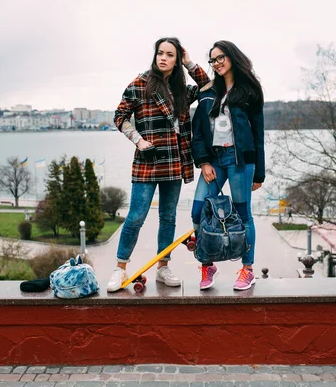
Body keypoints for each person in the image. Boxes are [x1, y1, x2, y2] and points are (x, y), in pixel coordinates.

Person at [107, 37, 210, 292]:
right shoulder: (140, 84)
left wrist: (189, 62)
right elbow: (120, 117)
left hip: (174, 160)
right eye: (160, 53)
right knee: (135, 217)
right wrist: (139, 140)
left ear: (176, 60)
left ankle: (163, 266)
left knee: (168, 217)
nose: (163, 58)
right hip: (148, 159)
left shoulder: (182, 89)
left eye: (170, 55)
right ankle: (119, 269)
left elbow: (209, 85)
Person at [190, 40, 265, 291]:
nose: (217, 63)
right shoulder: (208, 92)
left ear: (232, 57)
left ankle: (247, 269)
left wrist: (260, 172)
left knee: (244, 215)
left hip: (241, 161)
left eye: (220, 57)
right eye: (213, 60)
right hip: (215, 162)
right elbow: (198, 131)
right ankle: (207, 264)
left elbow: (258, 134)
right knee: (199, 211)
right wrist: (202, 162)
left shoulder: (250, 91)